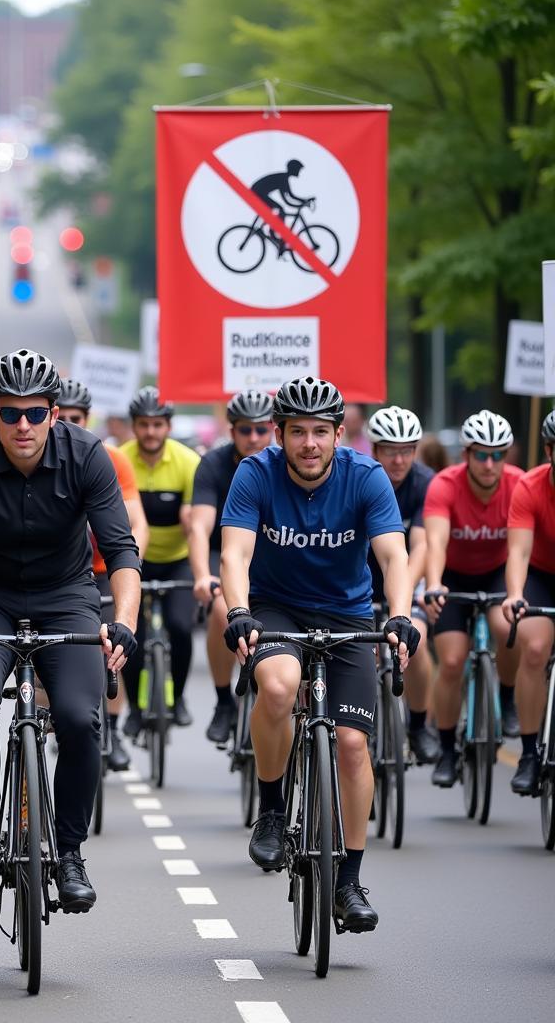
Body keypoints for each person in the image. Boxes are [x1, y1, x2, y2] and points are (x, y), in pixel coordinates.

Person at [0, 348, 140, 913]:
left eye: (36, 414)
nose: (24, 425)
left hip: (64, 594)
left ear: (54, 413)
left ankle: (69, 852)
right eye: (10, 413)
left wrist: (123, 622)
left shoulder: (88, 455)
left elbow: (120, 551)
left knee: (78, 716)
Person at [220, 376, 417, 933]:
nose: (310, 444)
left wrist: (399, 614)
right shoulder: (255, 473)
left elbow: (393, 555)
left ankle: (349, 879)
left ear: (339, 435)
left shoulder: (366, 477)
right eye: (298, 432)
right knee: (278, 687)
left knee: (353, 745)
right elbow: (234, 554)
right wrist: (239, 611)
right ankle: (273, 808)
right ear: (279, 434)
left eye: (321, 433)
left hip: (348, 613)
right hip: (275, 607)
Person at [423, 410, 523, 788]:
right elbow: (435, 541)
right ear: (465, 455)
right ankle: (448, 750)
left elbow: (519, 550)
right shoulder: (445, 485)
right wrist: (434, 583)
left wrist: (515, 594)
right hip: (451, 575)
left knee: (508, 625)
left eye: (497, 455)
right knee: (450, 660)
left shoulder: (518, 485)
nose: (488, 463)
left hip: (498, 572)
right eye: (480, 454)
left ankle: (508, 696)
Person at [56, 378, 149, 771]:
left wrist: (129, 569)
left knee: (114, 646)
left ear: (86, 418)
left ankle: (111, 727)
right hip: (63, 573)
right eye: (65, 418)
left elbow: (136, 524)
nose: (70, 426)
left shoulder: (109, 459)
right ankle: (47, 724)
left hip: (103, 570)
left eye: (78, 419)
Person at [188, 390, 275, 745]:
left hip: (270, 553)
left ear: (272, 430)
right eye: (244, 430)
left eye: (260, 429)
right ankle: (224, 702)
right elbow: (198, 526)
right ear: (231, 430)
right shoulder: (213, 464)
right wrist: (201, 576)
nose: (253, 438)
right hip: (221, 551)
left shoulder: (284, 463)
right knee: (223, 613)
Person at [120, 386, 200, 730]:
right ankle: (136, 712)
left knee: (181, 627)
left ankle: (178, 697)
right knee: (128, 633)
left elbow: (197, 519)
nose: (150, 432)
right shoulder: (120, 459)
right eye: (143, 424)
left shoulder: (188, 462)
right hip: (134, 560)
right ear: (134, 427)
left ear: (168, 426)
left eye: (157, 424)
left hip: (178, 559)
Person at [366, 406, 439, 764]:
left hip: (406, 577)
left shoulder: (426, 483)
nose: (399, 459)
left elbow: (423, 544)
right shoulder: (361, 477)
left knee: (418, 644)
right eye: (391, 450)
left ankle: (419, 725)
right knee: (358, 652)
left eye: (407, 450)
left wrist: (402, 600)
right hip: (361, 581)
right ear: (375, 450)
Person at [502, 410, 555, 795]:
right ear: (550, 451)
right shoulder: (530, 487)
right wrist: (516, 594)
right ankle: (530, 753)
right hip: (540, 575)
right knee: (535, 648)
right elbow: (518, 553)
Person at [250, 159, 312, 254]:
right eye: (298, 170)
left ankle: (270, 232)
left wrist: (304, 201)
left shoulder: (284, 178)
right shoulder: (283, 179)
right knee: (280, 209)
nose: (299, 172)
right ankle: (272, 233)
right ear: (293, 169)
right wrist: (301, 204)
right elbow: (287, 201)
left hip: (258, 192)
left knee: (278, 210)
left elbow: (291, 196)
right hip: (256, 193)